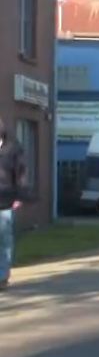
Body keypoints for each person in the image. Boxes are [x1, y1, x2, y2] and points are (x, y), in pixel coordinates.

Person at [0, 118, 28, 290]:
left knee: (5, 242)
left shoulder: (13, 150)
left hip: (6, 203)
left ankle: (2, 277)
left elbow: (21, 174)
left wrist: (19, 198)